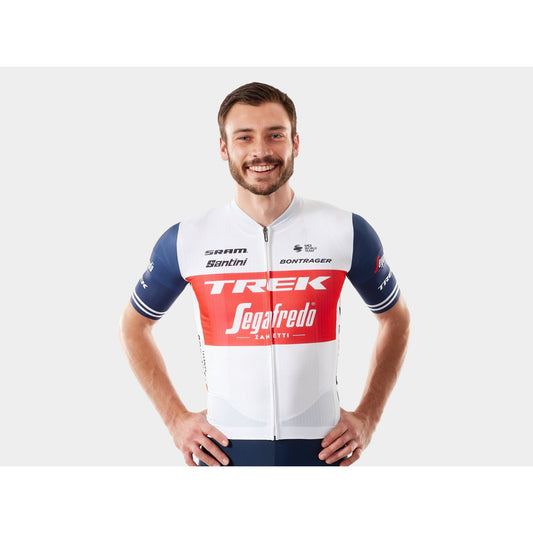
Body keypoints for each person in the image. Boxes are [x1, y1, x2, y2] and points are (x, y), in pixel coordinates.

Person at [119, 82, 410, 466]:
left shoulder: (345, 230)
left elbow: (395, 319)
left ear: (295, 143)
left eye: (275, 135)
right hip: (225, 454)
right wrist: (175, 419)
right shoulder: (187, 239)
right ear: (224, 148)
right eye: (244, 137)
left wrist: (369, 416)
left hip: (322, 453)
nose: (260, 151)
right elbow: (134, 326)